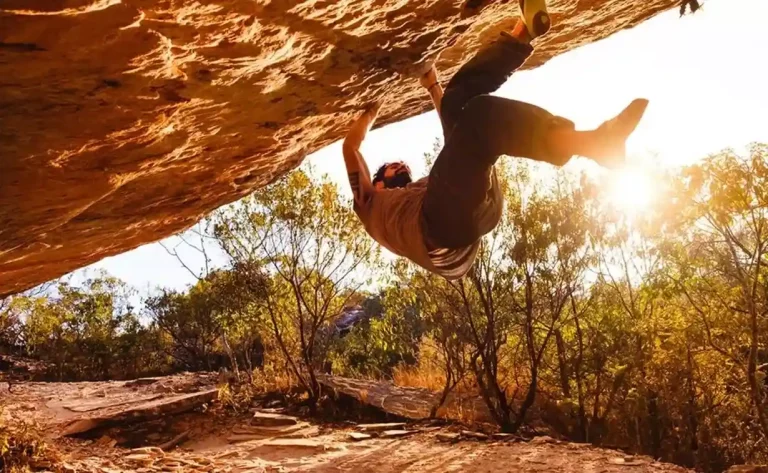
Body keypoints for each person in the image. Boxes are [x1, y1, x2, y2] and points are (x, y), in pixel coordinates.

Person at [342, 0, 649, 280]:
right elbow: (350, 148)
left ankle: (523, 33)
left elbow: (455, 138)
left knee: (459, 104)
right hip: (440, 235)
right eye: (394, 169)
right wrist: (370, 112)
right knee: (479, 117)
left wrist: (433, 86)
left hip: (477, 216)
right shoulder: (369, 207)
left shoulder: (423, 192)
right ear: (377, 183)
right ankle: (594, 145)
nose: (401, 166)